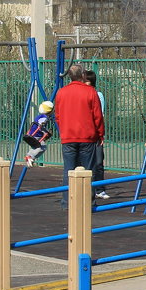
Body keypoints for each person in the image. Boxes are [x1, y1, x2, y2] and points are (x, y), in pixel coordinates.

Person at [53, 63, 105, 206]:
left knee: (68, 170)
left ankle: (67, 201)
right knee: (89, 170)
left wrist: (63, 130)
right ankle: (88, 201)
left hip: (68, 136)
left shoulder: (61, 92)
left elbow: (57, 116)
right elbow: (97, 116)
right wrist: (100, 134)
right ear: (83, 75)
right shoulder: (90, 92)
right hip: (87, 136)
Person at [85, 70, 110, 199]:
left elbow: (100, 115)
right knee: (86, 163)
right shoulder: (82, 94)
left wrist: (101, 134)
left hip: (95, 133)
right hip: (85, 134)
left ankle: (100, 188)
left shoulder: (97, 95)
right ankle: (88, 188)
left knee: (99, 162)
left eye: (86, 82)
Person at [21, 101, 53, 167]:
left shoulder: (39, 116)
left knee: (35, 147)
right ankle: (31, 157)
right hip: (36, 135)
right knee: (42, 147)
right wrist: (45, 132)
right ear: (50, 111)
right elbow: (41, 125)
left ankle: (28, 156)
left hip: (31, 134)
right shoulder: (44, 117)